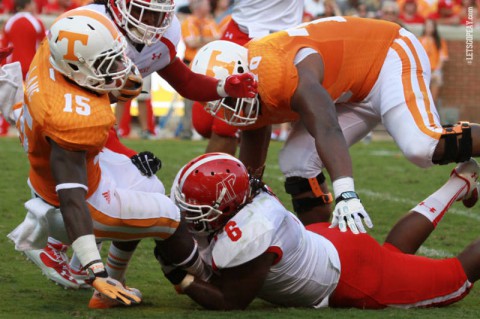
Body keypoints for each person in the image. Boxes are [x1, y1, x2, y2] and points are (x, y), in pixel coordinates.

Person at [23, 0, 258, 287]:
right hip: (68, 125)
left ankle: (90, 269)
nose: (153, 19)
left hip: (95, 120)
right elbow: (77, 106)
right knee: (103, 192)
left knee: (143, 182)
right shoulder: (90, 26)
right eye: (144, 9)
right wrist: (121, 150)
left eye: (160, 11)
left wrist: (222, 87)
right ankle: (55, 246)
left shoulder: (165, 33)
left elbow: (184, 80)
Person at [190, 16, 479, 230]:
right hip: (345, 90)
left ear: (245, 74)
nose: (231, 108)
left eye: (230, 98)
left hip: (386, 57)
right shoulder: (248, 87)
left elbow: (326, 125)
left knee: (422, 146)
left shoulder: (282, 72)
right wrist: (244, 201)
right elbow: (254, 149)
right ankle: (324, 246)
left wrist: (346, 192)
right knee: (296, 163)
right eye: (223, 101)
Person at [8, 9, 209, 308]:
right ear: (77, 68)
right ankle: (207, 277)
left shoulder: (54, 53)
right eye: (106, 63)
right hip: (79, 204)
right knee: (170, 214)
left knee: (149, 185)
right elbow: (73, 198)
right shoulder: (68, 119)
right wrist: (94, 269)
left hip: (67, 176)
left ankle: (109, 291)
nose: (120, 67)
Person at [164, 152, 480, 310]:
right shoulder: (246, 197)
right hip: (325, 241)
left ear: (228, 206)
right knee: (390, 258)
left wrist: (181, 277)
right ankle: (459, 183)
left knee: (455, 277)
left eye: (197, 210)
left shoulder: (252, 232)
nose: (189, 217)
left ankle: (459, 184)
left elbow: (230, 300)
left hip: (348, 275)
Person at [192, 0, 304, 155]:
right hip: (239, 29)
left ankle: (243, 177)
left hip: (277, 39)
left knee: (231, 123)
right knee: (202, 123)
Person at [1, 0, 46, 135]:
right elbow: (43, 45)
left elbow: (4, 44)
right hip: (32, 66)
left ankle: (3, 129)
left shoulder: (9, 22)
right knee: (32, 100)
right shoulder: (36, 22)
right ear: (27, 5)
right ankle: (32, 129)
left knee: (7, 98)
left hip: (12, 66)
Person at [180, 0, 221, 140]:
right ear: (199, 6)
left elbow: (219, 40)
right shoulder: (189, 21)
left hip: (207, 65)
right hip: (191, 64)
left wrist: (201, 39)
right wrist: (208, 40)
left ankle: (205, 130)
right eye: (207, 4)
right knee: (189, 100)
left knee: (209, 98)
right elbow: (190, 41)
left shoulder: (210, 22)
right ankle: (187, 131)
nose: (210, 6)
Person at [419, 19, 449, 107]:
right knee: (422, 97)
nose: (429, 28)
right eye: (427, 26)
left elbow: (442, 57)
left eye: (431, 26)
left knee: (433, 99)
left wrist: (437, 70)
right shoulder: (419, 40)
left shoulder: (439, 41)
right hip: (423, 71)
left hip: (435, 71)